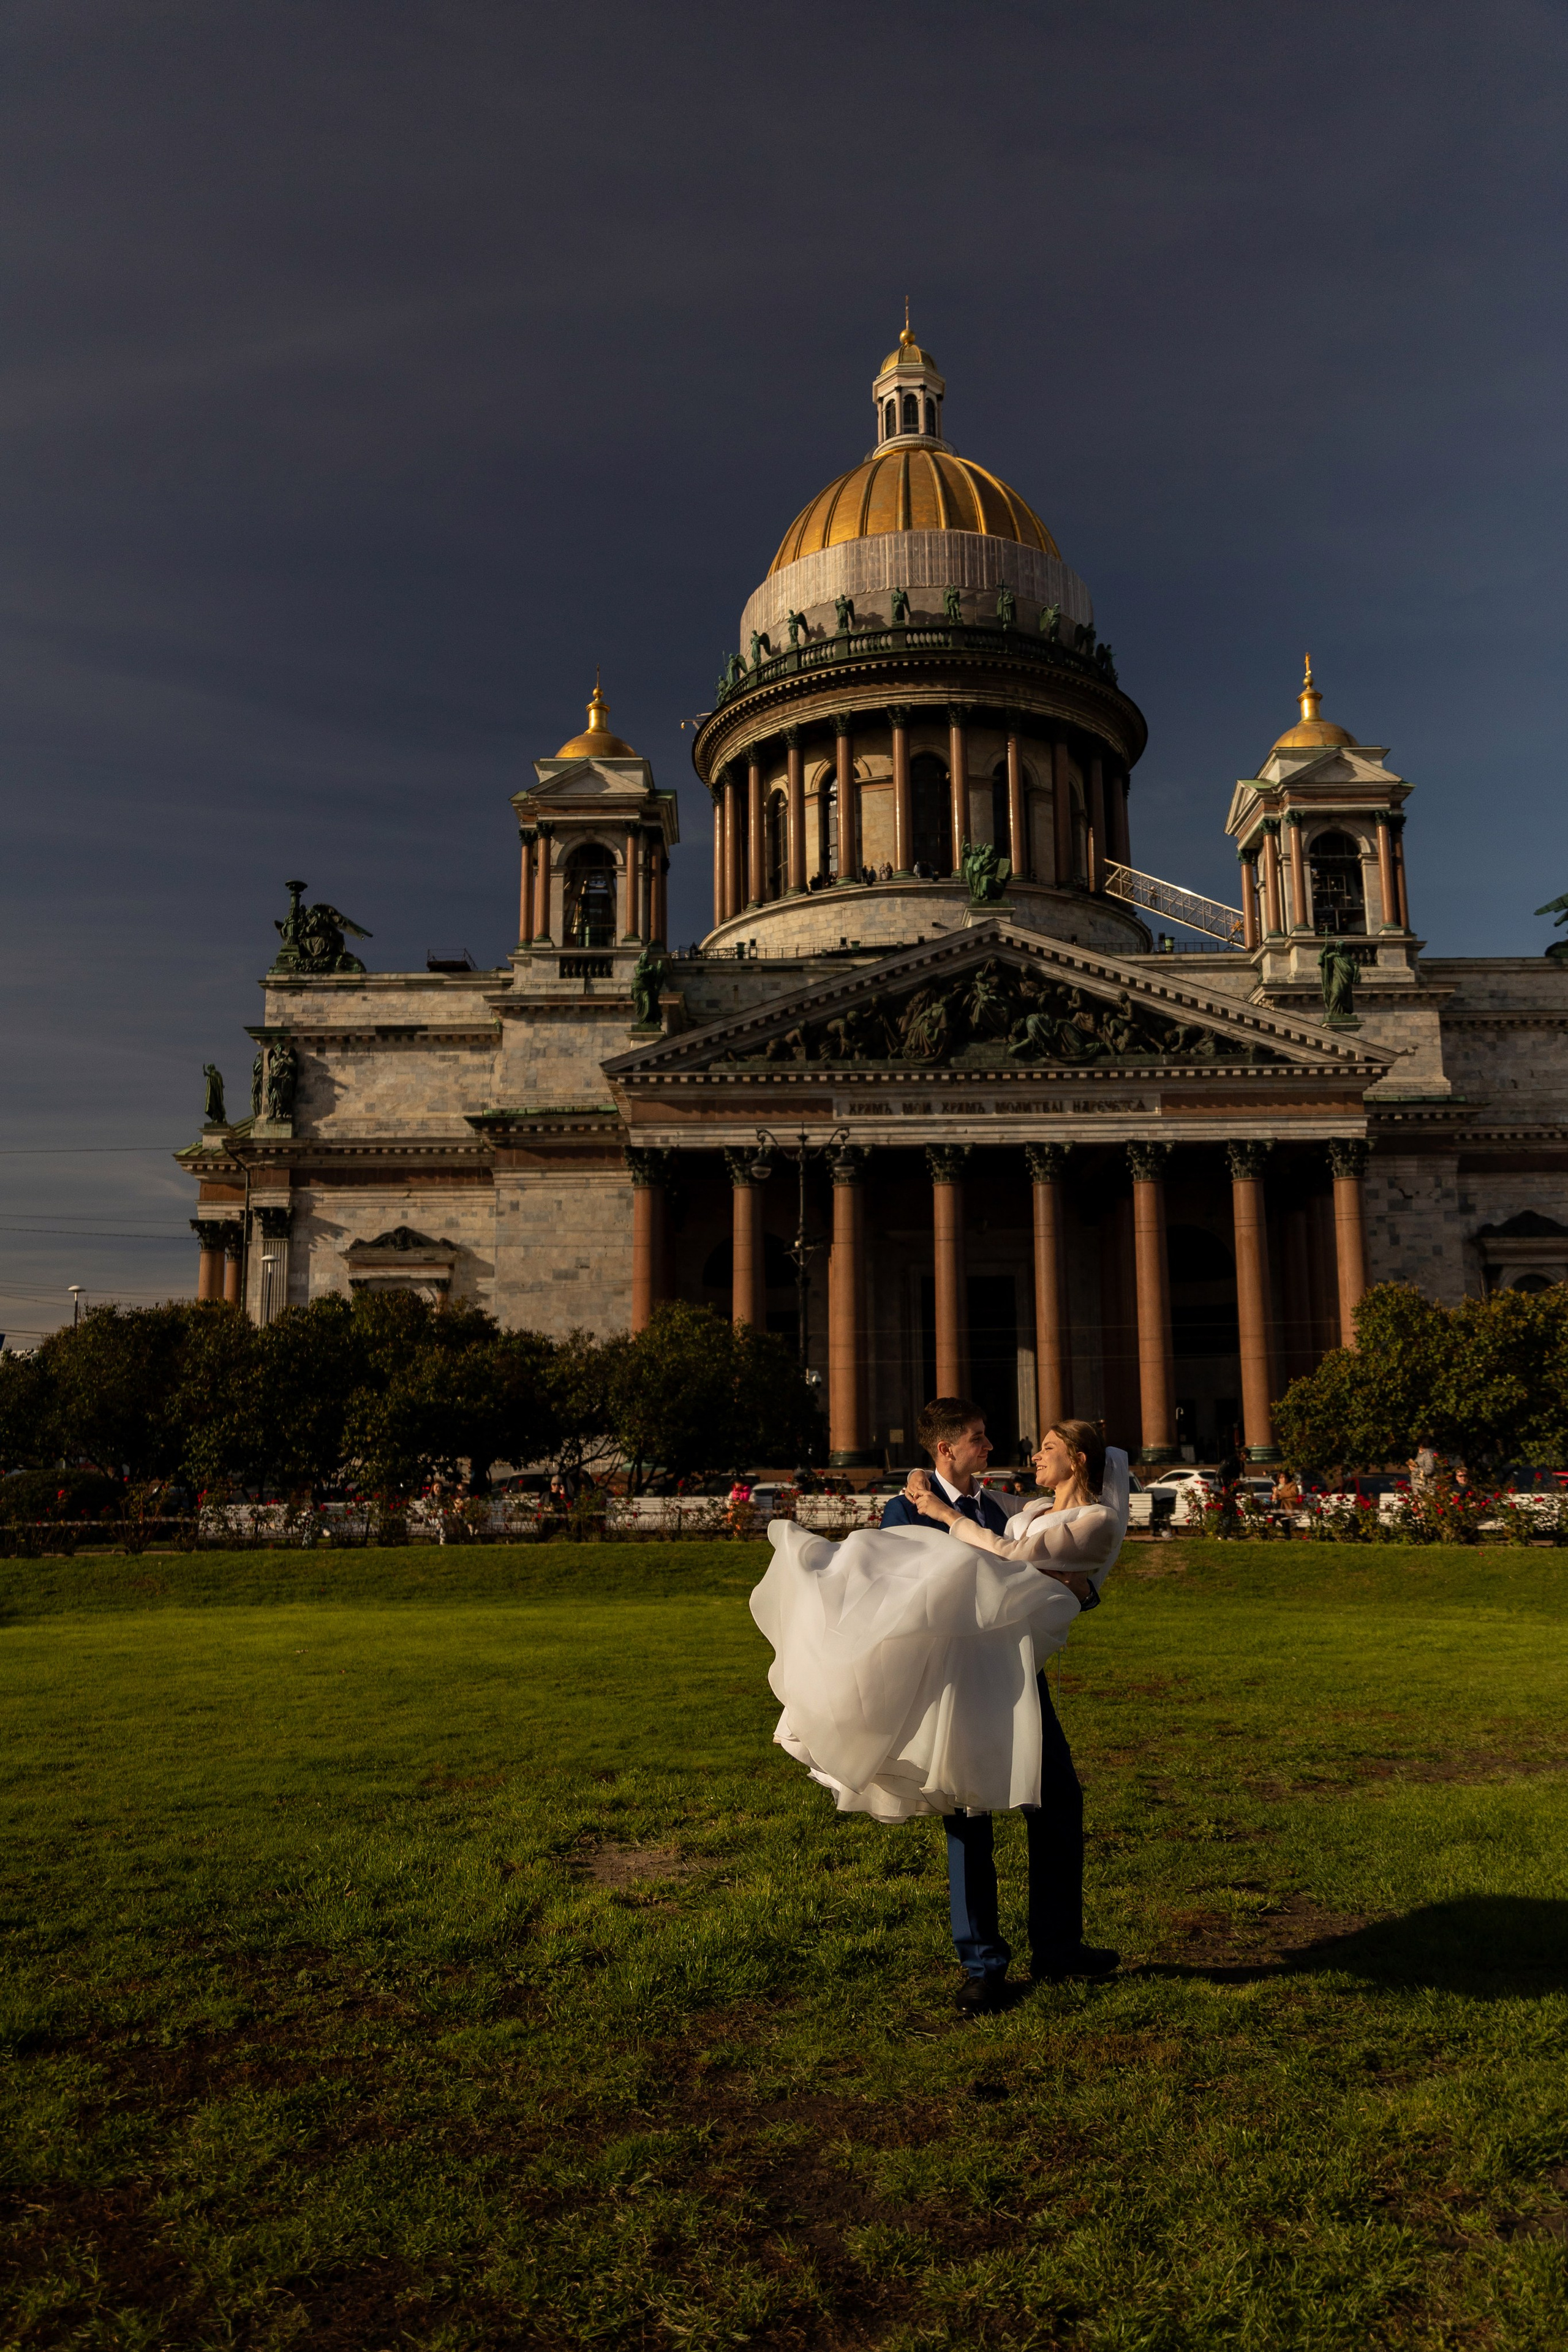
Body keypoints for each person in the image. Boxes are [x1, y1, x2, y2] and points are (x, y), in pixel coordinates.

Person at [751, 1404, 1125, 2018]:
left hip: (1016, 1678)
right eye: (979, 1439)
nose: (992, 1446)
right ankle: (982, 1964)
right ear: (947, 1449)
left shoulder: (1004, 1506)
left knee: (1058, 1802)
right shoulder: (905, 1511)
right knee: (966, 1814)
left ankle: (1058, 1945)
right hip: (949, 1685)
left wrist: (1083, 1592)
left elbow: (1053, 1556)